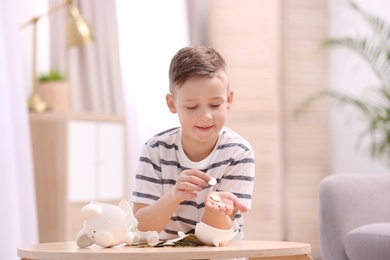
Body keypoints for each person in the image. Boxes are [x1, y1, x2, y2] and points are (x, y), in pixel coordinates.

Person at [130, 45, 255, 242]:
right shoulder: (155, 149)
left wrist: (216, 211)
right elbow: (140, 229)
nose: (205, 116)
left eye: (215, 105)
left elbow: (215, 239)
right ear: (172, 104)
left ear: (228, 99)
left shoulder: (238, 152)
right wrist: (174, 196)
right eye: (191, 106)